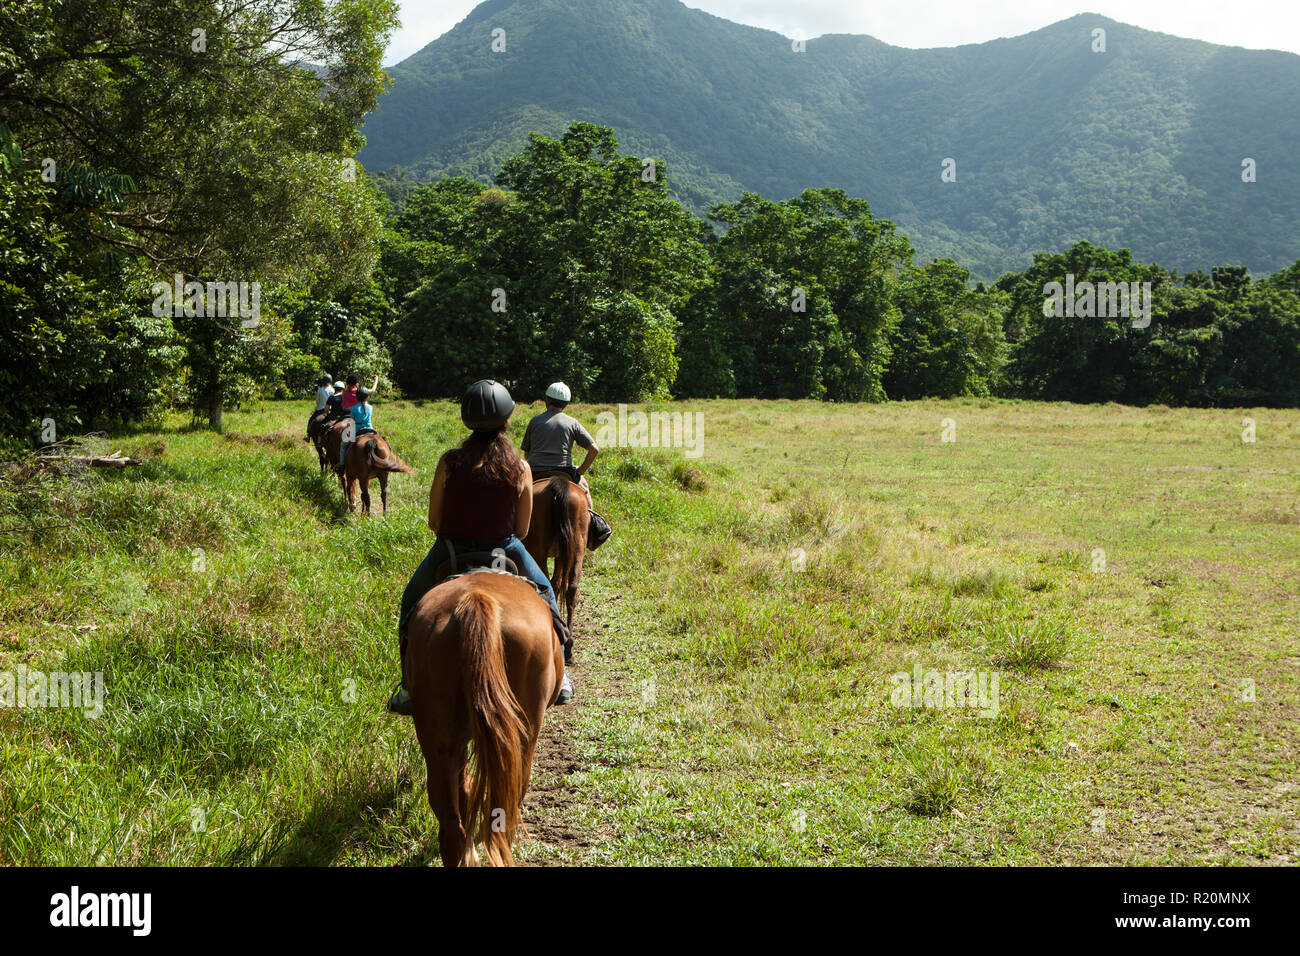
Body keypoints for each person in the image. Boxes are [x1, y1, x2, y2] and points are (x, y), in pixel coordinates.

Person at [387, 380, 574, 716]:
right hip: (506, 549)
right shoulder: (520, 467)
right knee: (547, 596)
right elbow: (522, 529)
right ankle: (560, 678)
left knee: (411, 603)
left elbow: (433, 521)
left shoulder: (449, 462)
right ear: (506, 421)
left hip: (451, 550)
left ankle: (406, 684)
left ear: (466, 420)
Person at [521, 382, 613, 549]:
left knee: (517, 495)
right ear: (566, 404)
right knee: (584, 488)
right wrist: (580, 471)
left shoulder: (534, 421)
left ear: (547, 400)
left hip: (535, 471)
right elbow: (594, 449)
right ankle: (593, 525)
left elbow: (527, 454)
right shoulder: (572, 422)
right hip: (564, 470)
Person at [336, 386, 377, 472]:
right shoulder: (370, 407)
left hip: (357, 429)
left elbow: (352, 422)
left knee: (343, 445)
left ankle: (342, 465)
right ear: (367, 397)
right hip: (369, 428)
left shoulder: (354, 408)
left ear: (357, 397)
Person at [305, 374, 334, 440]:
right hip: (330, 409)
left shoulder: (320, 390)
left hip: (320, 409)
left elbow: (317, 401)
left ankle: (308, 435)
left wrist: (319, 406)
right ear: (330, 381)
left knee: (311, 420)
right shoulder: (333, 390)